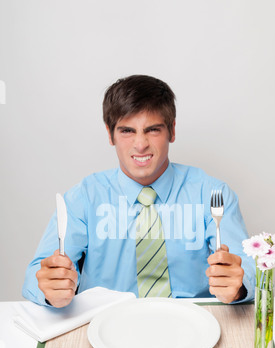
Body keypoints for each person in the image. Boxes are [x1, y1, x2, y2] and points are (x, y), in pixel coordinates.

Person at [23, 75, 255, 308]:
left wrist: (239, 285)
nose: (140, 144)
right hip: (103, 321)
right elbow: (34, 278)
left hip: (193, 321)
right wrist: (49, 288)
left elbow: (249, 270)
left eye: (152, 130)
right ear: (110, 134)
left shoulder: (212, 193)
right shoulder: (83, 198)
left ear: (172, 131)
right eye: (127, 131)